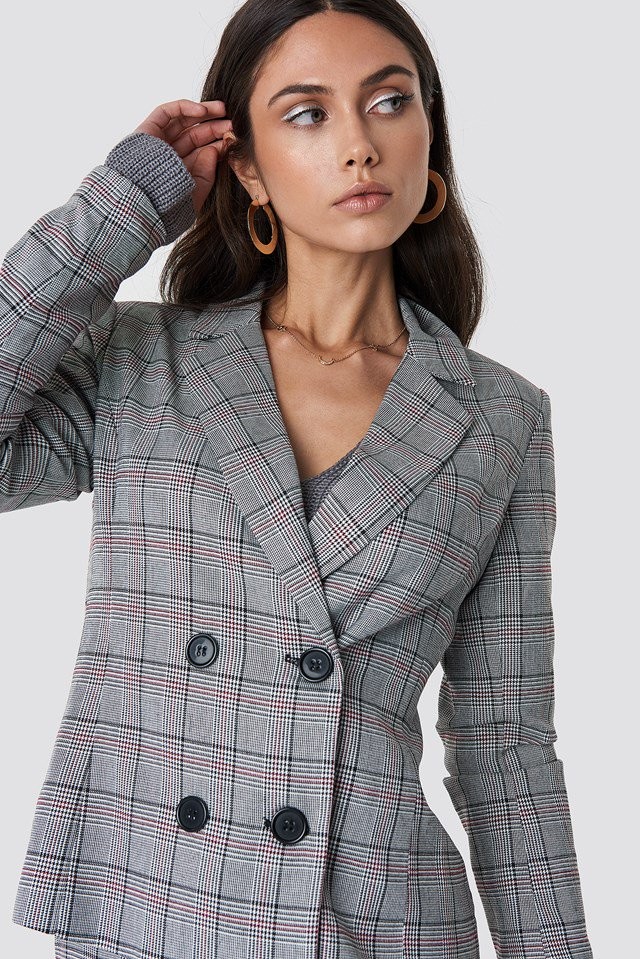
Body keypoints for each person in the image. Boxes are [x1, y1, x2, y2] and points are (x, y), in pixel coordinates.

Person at [1, 2, 594, 958]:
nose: (360, 144)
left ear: (429, 132)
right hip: (150, 915)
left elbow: (504, 744)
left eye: (389, 102)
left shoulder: (502, 418)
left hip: (377, 928)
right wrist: (120, 208)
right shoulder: (140, 362)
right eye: (308, 113)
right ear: (247, 169)